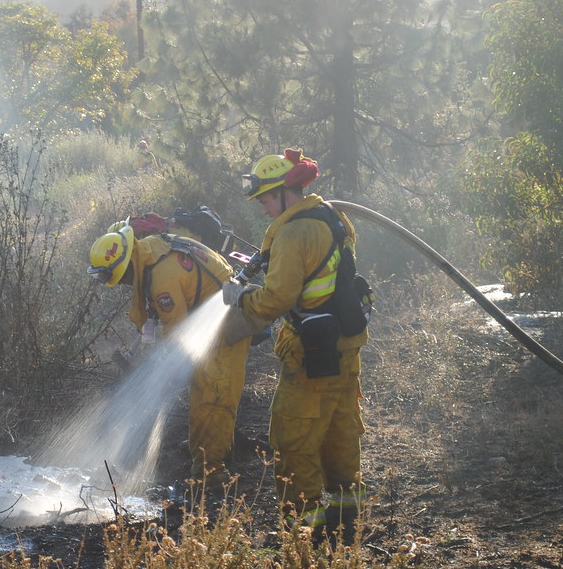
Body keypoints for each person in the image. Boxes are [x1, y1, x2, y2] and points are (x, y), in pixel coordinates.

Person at [221, 148, 368, 533]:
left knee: (293, 435)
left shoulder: (292, 232)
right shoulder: (334, 217)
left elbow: (278, 298)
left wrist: (242, 300)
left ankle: (303, 528)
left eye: (267, 199)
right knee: (340, 428)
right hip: (345, 342)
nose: (263, 209)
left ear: (286, 192)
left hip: (310, 351)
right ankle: (346, 513)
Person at [87, 223, 252, 489]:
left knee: (210, 396)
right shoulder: (148, 250)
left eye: (122, 277)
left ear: (127, 263)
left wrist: (164, 372)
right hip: (207, 314)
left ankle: (210, 475)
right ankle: (218, 455)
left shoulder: (162, 278)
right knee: (206, 393)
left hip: (225, 319)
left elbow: (178, 335)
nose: (124, 283)